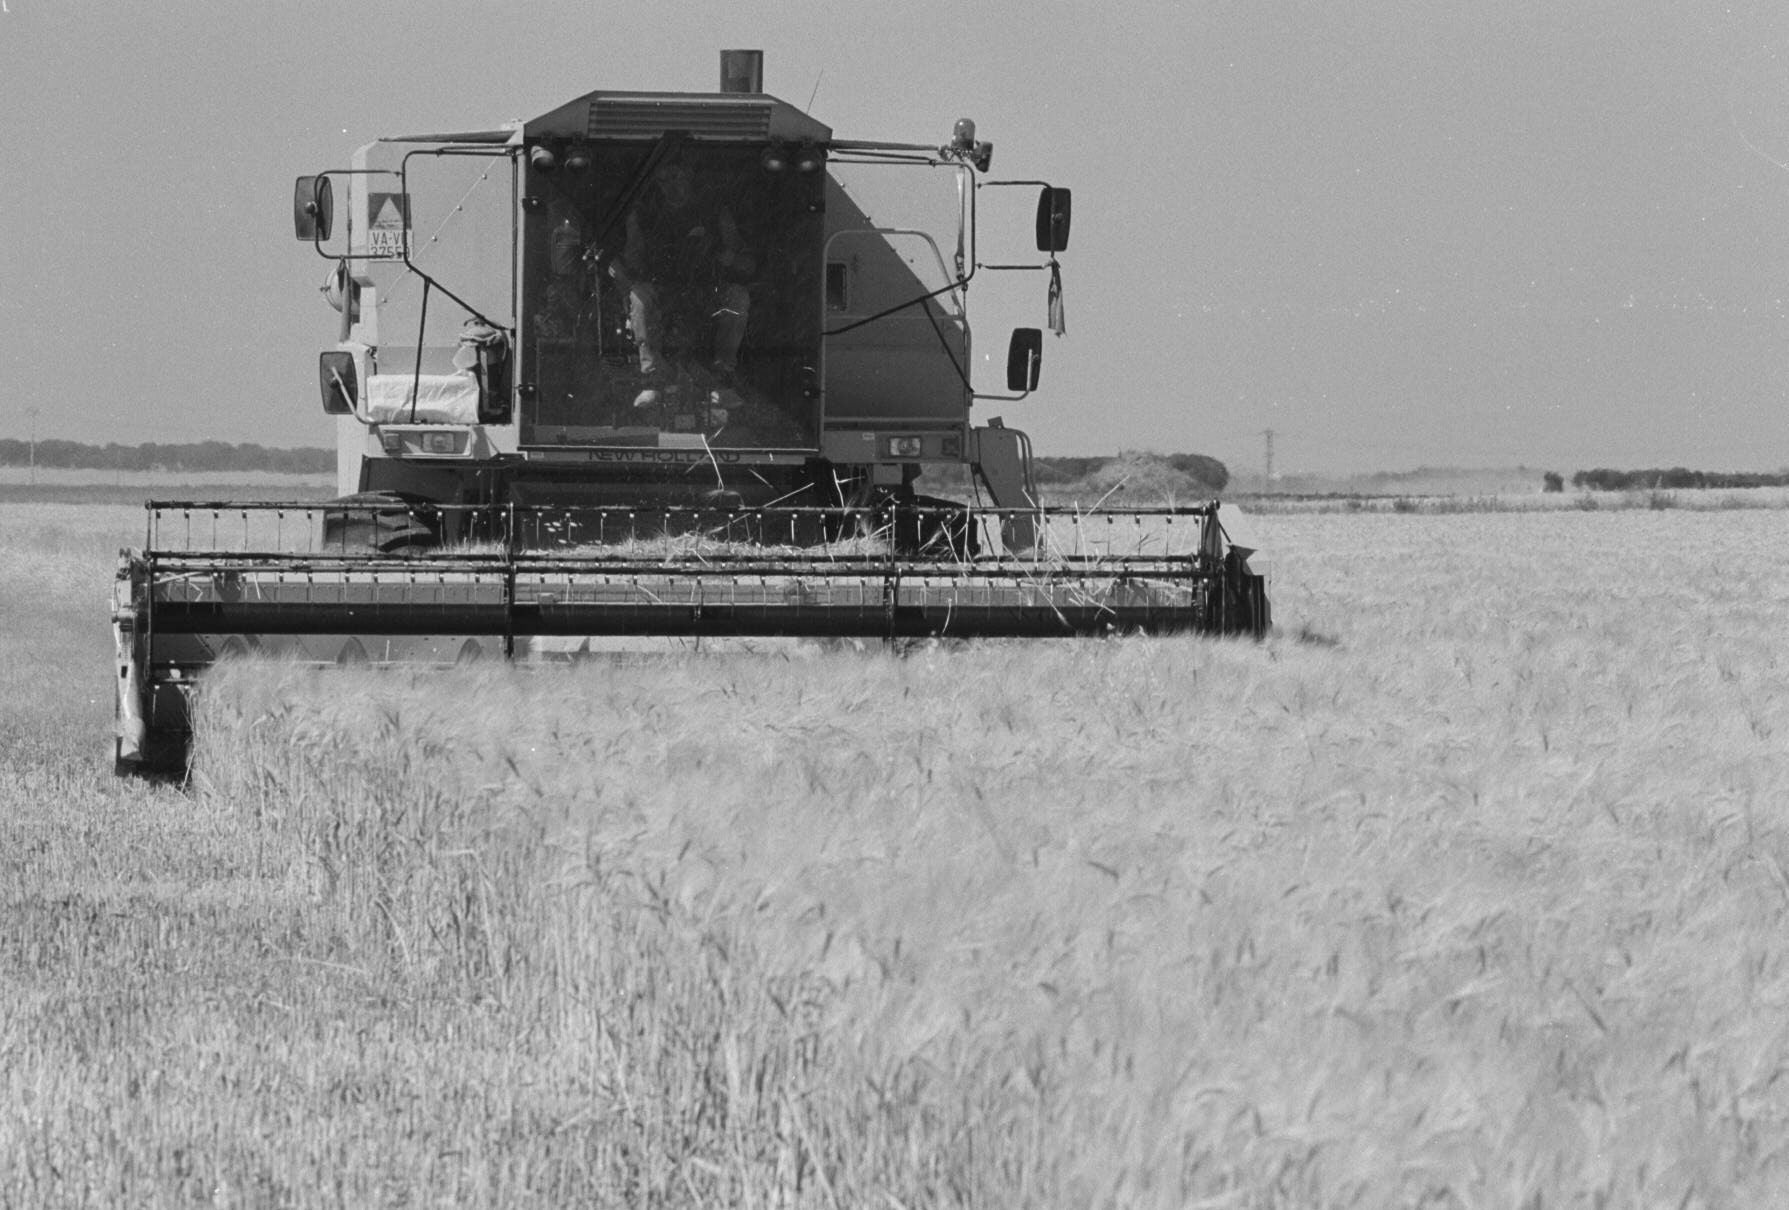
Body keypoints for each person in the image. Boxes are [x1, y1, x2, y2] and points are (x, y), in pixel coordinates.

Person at [607, 159, 755, 410]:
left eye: (675, 177)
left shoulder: (714, 211)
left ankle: (722, 377)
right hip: (663, 291)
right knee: (639, 296)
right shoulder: (645, 215)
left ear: (689, 175)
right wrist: (619, 269)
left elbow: (745, 261)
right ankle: (653, 380)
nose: (670, 186)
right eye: (663, 180)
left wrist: (727, 256)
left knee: (738, 297)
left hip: (707, 290)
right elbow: (633, 258)